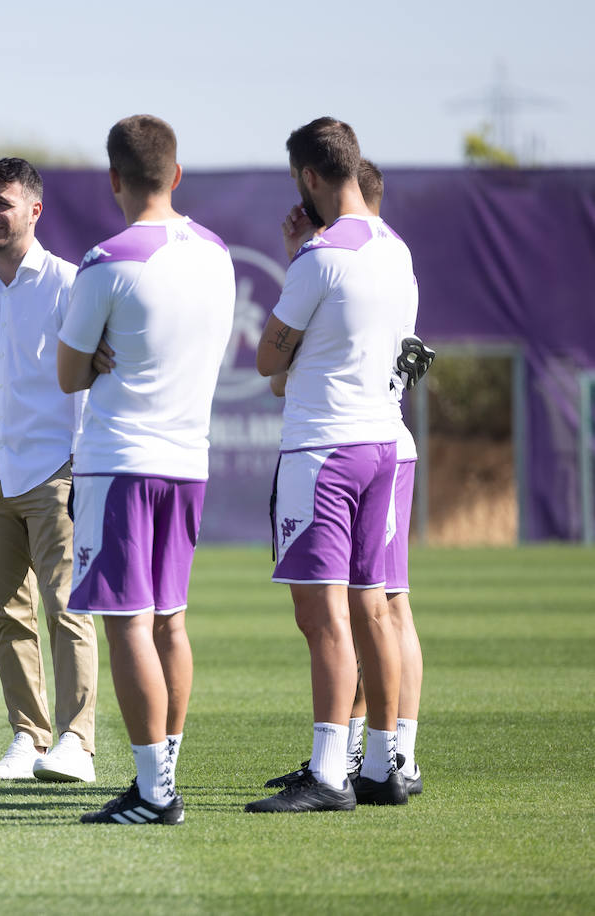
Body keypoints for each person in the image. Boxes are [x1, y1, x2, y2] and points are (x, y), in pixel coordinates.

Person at [56, 115, 235, 825]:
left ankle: (156, 792)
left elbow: (70, 372)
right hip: (189, 460)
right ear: (177, 173)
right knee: (170, 622)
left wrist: (99, 348)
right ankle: (160, 777)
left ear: (114, 180)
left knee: (127, 624)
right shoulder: (218, 253)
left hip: (120, 463)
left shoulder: (106, 261)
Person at [246, 118, 418, 813]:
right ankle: (380, 765)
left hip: (324, 452)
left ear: (309, 177)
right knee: (374, 611)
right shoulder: (394, 248)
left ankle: (328, 774)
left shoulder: (320, 257)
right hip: (384, 443)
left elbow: (266, 359)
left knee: (323, 616)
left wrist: (297, 257)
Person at [0, 157, 99, 782]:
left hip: (55, 470)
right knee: (8, 614)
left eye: (3, 203)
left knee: (67, 607)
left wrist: (82, 465)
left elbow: (90, 382)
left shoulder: (71, 284)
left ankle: (78, 745)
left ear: (35, 209)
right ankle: (28, 739)